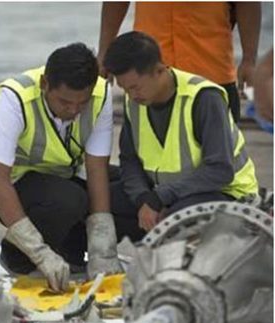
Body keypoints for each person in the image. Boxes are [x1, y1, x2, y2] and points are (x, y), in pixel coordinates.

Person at [0, 43, 122, 292]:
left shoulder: (101, 93)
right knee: (69, 200)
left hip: (67, 176)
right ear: (45, 84)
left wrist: (102, 245)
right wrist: (39, 252)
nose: (74, 110)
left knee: (127, 193)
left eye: (82, 103)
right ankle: (18, 256)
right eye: (65, 102)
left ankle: (71, 252)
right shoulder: (15, 97)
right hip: (19, 188)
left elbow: (96, 168)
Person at [103, 31, 259, 238]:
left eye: (135, 87)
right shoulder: (135, 102)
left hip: (225, 194)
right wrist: (143, 199)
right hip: (166, 193)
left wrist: (159, 198)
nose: (131, 96)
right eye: (125, 89)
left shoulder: (204, 98)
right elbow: (129, 161)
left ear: (159, 70)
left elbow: (220, 171)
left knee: (177, 219)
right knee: (97, 201)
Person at [97, 1, 261, 122]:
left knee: (219, 152)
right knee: (142, 152)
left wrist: (249, 59)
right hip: (147, 74)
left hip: (211, 72)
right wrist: (104, 50)